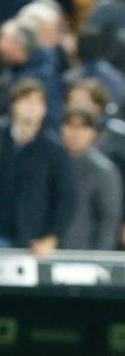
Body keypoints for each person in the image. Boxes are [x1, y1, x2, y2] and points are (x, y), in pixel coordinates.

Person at [0, 79, 75, 254]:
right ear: (13, 105)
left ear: (45, 110)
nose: (32, 106)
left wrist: (51, 237)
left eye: (39, 102)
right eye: (27, 100)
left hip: (31, 237)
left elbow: (66, 197)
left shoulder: (54, 149)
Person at [58, 107, 122, 251]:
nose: (75, 133)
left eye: (83, 127)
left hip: (84, 253)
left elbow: (109, 219)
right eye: (70, 125)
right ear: (62, 128)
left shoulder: (103, 170)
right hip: (45, 251)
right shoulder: (49, 163)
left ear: (94, 132)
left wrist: (100, 256)